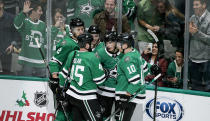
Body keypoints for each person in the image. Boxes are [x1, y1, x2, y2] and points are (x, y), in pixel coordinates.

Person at [59, 33, 106, 121]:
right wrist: (105, 73)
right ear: (87, 45)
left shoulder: (73, 54)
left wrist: (61, 88)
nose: (92, 45)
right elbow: (100, 81)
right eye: (91, 43)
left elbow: (63, 74)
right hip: (85, 96)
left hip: (72, 95)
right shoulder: (92, 57)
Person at [115, 33, 161, 121]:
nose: (117, 46)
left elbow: (135, 81)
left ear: (125, 45)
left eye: (119, 43)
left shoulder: (126, 59)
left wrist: (126, 96)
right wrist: (152, 68)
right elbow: (143, 67)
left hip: (127, 95)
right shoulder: (135, 52)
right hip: (134, 95)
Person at [49, 17, 85, 121]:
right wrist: (55, 80)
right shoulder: (68, 43)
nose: (81, 31)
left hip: (74, 83)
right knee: (63, 111)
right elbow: (54, 61)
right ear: (72, 30)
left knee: (73, 112)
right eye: (78, 29)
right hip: (64, 83)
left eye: (82, 29)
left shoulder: (80, 42)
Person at [14, 0, 47, 77]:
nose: (41, 13)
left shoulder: (42, 24)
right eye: (40, 11)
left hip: (40, 62)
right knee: (27, 85)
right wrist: (23, 13)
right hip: (27, 62)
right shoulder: (25, 22)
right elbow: (16, 24)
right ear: (33, 11)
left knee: (40, 87)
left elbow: (46, 40)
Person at [96, 31, 123, 120]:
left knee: (119, 117)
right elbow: (93, 67)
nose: (108, 45)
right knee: (103, 116)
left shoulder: (123, 53)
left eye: (110, 42)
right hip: (104, 91)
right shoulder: (100, 53)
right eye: (106, 43)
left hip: (119, 92)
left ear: (116, 42)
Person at [189, 0, 210, 92]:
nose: (194, 7)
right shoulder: (192, 18)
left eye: (196, 5)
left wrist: (197, 33)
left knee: (206, 89)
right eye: (193, 5)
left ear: (204, 5)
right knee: (194, 88)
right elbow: (188, 38)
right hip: (193, 59)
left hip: (206, 60)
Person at [0, 0, 20, 74]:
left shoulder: (11, 18)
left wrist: (12, 45)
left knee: (7, 74)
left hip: (7, 51)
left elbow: (16, 34)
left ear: (2, 5)